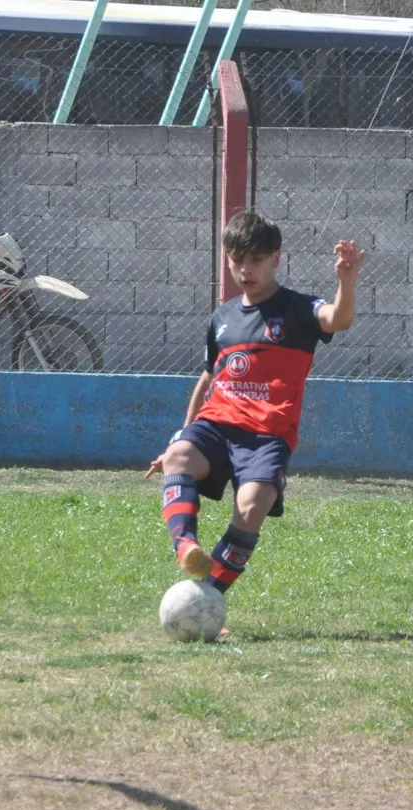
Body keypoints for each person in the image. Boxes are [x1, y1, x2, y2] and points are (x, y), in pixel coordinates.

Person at [146, 210, 363, 599]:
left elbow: (337, 319)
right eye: (237, 260)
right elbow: (210, 377)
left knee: (253, 504)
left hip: (267, 434)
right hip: (217, 424)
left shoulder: (298, 309)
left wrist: (346, 283)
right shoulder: (222, 318)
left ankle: (207, 597)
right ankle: (187, 548)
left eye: (256, 261)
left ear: (276, 259)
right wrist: (179, 436)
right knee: (179, 457)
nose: (245, 270)